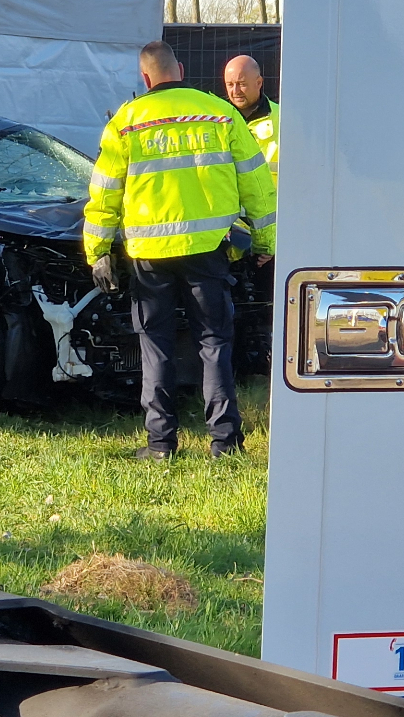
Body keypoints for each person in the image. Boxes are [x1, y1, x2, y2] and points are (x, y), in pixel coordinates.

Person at [85, 42, 276, 459]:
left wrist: (97, 251)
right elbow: (257, 184)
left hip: (149, 257)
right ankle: (225, 443)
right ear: (182, 68)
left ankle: (160, 445)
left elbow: (103, 194)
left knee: (156, 347)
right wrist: (264, 242)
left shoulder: (125, 121)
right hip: (208, 250)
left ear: (146, 78)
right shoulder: (219, 114)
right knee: (215, 344)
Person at [223, 54, 280, 186]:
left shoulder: (282, 118)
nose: (235, 91)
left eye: (242, 84)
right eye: (230, 85)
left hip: (271, 204)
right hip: (230, 204)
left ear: (258, 83)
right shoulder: (218, 119)